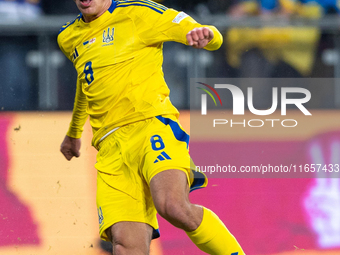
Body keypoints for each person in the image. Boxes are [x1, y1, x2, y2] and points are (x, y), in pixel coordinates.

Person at [58, 0, 245, 254]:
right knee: (125, 245)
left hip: (150, 126)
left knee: (174, 206)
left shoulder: (140, 12)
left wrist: (208, 35)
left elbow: (203, 31)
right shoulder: (68, 37)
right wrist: (74, 131)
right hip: (110, 148)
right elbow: (86, 81)